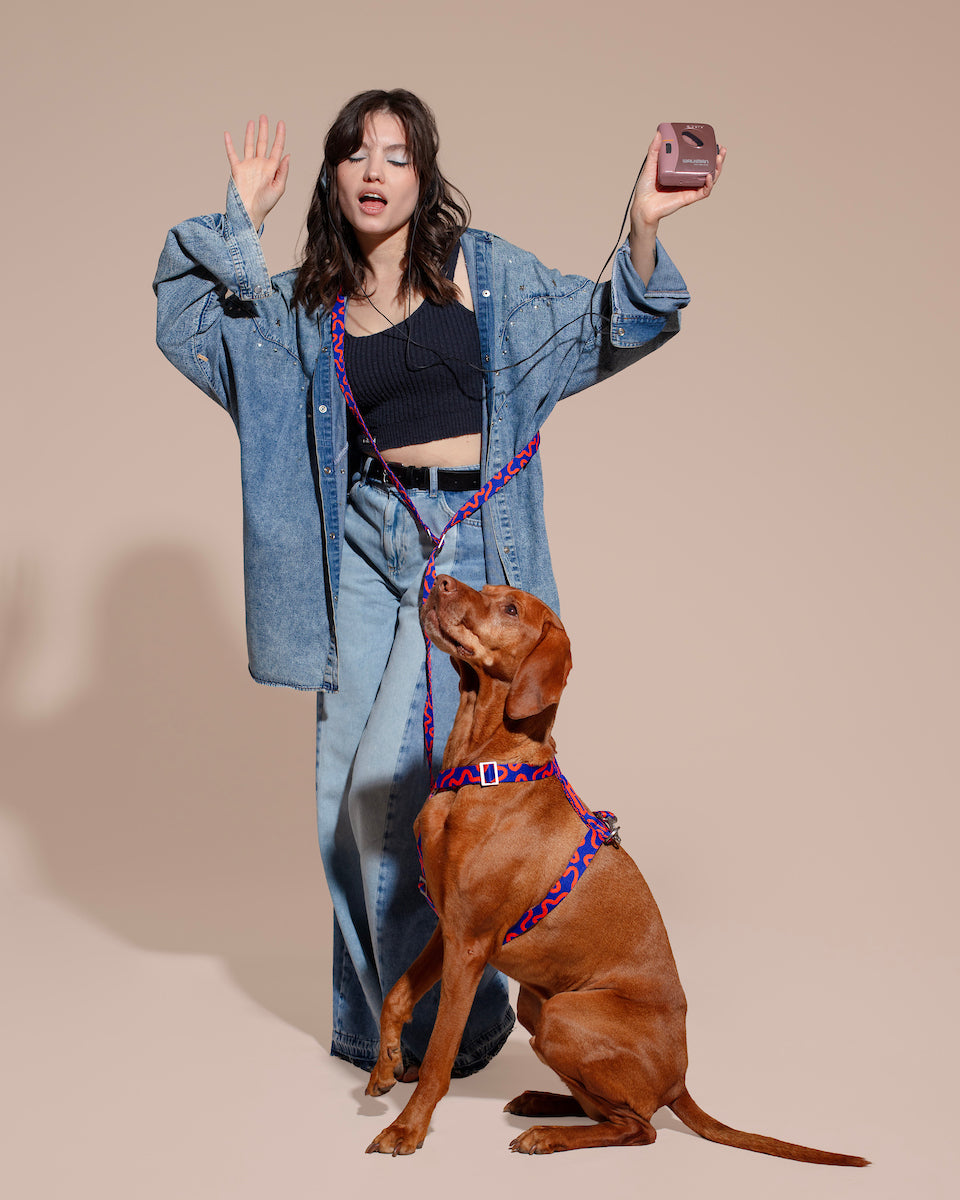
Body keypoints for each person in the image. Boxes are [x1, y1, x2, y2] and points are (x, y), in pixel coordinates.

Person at [154, 89, 724, 1079]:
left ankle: (437, 1039)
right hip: (363, 547)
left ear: (424, 175)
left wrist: (641, 224)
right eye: (356, 155)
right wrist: (239, 221)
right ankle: (368, 1027)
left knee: (397, 799)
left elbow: (612, 324)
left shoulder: (486, 277)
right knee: (343, 799)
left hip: (462, 549)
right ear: (333, 177)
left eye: (396, 155)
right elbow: (192, 327)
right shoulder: (308, 308)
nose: (375, 172)